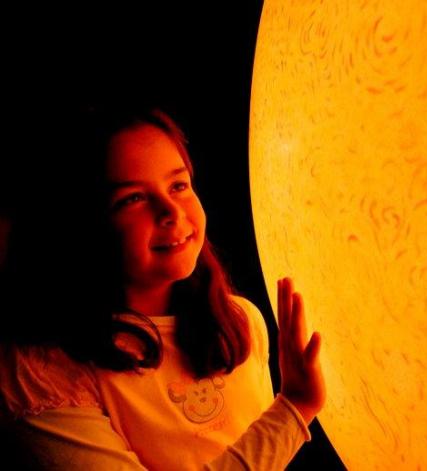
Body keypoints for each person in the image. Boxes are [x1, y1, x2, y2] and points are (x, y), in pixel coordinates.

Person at [0, 106, 325, 469]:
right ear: (79, 224)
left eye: (179, 185)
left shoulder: (241, 321)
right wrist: (294, 408)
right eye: (132, 199)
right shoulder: (43, 370)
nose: (170, 209)